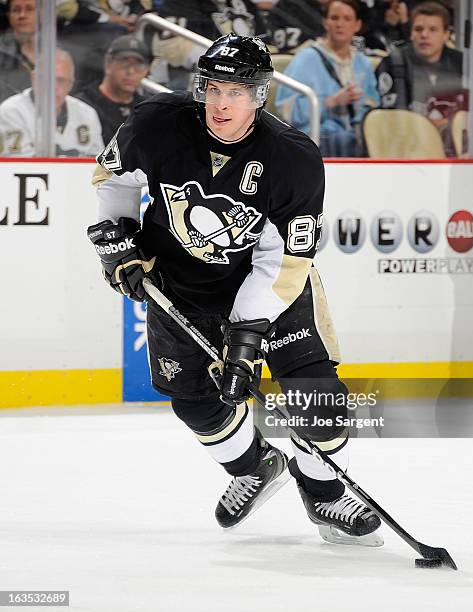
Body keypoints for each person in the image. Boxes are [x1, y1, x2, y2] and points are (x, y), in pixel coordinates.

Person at [87, 33, 383, 545]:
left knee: (319, 398)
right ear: (200, 86)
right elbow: (113, 180)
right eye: (214, 88)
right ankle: (255, 464)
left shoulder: (293, 158)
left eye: (237, 91)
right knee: (194, 401)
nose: (222, 103)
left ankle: (325, 494)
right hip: (178, 288)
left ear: (260, 94)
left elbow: (286, 258)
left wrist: (246, 335)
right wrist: (118, 240)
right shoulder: (155, 124)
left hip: (271, 289)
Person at [275, 0, 380, 157]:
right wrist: (329, 102)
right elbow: (285, 110)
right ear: (325, 22)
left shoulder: (363, 64)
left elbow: (373, 108)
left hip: (355, 139)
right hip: (317, 140)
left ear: (357, 25)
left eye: (347, 19)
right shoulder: (306, 59)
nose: (340, 24)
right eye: (334, 18)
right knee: (340, 139)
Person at [375, 1, 464, 154]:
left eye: (433, 30)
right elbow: (390, 117)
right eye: (418, 29)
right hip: (406, 146)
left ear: (446, 34)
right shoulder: (394, 63)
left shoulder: (462, 63)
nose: (424, 35)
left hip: (454, 145)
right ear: (411, 33)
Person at [0, 47, 104, 156]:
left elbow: (98, 163)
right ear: (34, 78)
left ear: (71, 84)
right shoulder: (11, 112)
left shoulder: (87, 114)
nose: (54, 87)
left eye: (61, 81)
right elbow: (18, 162)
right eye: (48, 79)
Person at [75, 35, 150, 145]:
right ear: (108, 64)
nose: (131, 71)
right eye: (124, 63)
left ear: (146, 70)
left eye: (139, 65)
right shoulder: (82, 105)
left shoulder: (148, 109)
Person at [0, 0, 36, 103]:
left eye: (29, 9)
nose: (22, 15)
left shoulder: (60, 51)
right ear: (8, 15)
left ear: (43, 13)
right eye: (16, 10)